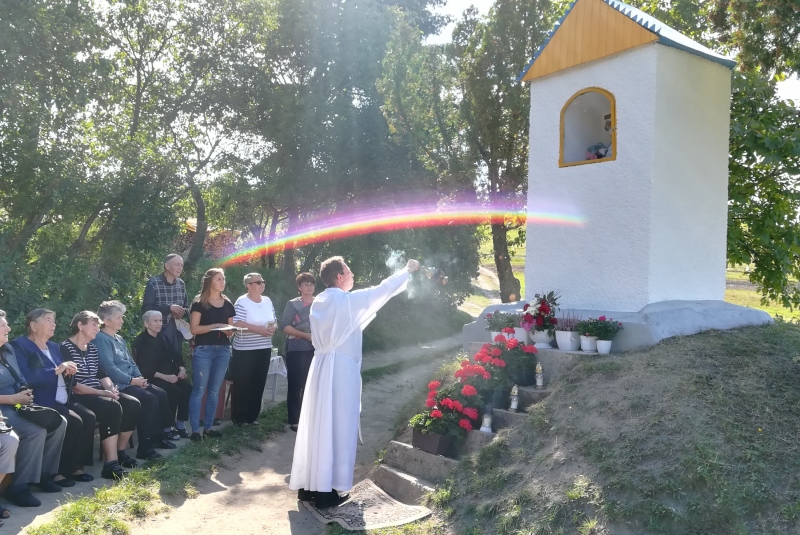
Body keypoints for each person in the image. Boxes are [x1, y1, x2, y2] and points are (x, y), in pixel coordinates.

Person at [289, 256, 419, 507]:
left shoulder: (321, 300)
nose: (352, 275)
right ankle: (327, 490)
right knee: (338, 425)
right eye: (349, 271)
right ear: (339, 276)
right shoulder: (343, 301)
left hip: (321, 366)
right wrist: (406, 270)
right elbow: (381, 291)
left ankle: (309, 486)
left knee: (317, 425)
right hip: (339, 370)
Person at [12, 309, 94, 487]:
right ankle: (54, 472)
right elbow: (26, 377)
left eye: (54, 320)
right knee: (73, 421)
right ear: (34, 326)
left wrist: (69, 373)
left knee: (86, 417)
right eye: (48, 320)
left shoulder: (54, 347)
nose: (54, 324)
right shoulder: (21, 346)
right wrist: (57, 370)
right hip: (39, 401)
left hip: (62, 397)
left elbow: (63, 375)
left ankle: (72, 467)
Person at [95, 300, 179, 461]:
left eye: (122, 317)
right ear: (106, 321)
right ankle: (144, 447)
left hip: (132, 381)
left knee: (160, 394)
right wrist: (132, 381)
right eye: (118, 317)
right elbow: (109, 368)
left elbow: (131, 362)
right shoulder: (101, 339)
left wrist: (140, 378)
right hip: (118, 385)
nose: (122, 320)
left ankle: (158, 436)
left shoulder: (119, 338)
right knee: (149, 399)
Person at [61, 311, 140, 480]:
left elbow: (102, 374)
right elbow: (73, 386)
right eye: (94, 324)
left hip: (97, 392)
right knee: (110, 406)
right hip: (78, 396)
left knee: (132, 403)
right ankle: (110, 464)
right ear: (80, 326)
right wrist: (103, 393)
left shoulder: (92, 348)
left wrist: (112, 390)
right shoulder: (65, 348)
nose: (97, 328)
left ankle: (120, 453)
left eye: (98, 324)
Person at [0, 309, 61, 509]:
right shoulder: (17, 346)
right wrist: (12, 399)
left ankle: (44, 475)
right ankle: (17, 488)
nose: (8, 328)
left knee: (58, 422)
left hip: (17, 404)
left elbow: (21, 378)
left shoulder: (7, 350)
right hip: (4, 407)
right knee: (36, 431)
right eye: (3, 325)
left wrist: (24, 393)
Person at [188, 268, 235, 442]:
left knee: (214, 391)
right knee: (199, 390)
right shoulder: (199, 303)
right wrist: (215, 325)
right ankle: (194, 430)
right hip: (203, 350)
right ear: (210, 282)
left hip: (223, 350)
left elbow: (230, 331)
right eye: (219, 279)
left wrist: (231, 331)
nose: (223, 282)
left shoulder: (228, 304)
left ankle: (208, 428)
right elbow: (194, 329)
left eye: (223, 279)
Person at [132, 311, 191, 438]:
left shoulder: (163, 337)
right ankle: (166, 428)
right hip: (153, 378)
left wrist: (182, 369)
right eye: (155, 321)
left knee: (187, 388)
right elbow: (143, 368)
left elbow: (176, 355)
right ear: (146, 323)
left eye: (160, 320)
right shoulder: (140, 342)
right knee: (173, 391)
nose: (159, 324)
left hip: (171, 375)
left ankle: (180, 424)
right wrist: (165, 377)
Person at [230, 272, 276, 426]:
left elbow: (273, 319)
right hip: (245, 349)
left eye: (262, 281)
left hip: (264, 346)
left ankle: (253, 416)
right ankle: (239, 417)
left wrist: (272, 328)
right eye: (257, 282)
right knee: (243, 382)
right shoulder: (242, 302)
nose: (261, 284)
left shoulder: (268, 300)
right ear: (248, 286)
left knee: (259, 381)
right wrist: (258, 330)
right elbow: (238, 323)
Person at [279, 272, 316, 432]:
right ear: (299, 287)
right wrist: (305, 335)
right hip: (296, 349)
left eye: (311, 284)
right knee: (295, 385)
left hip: (317, 350)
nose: (309, 286)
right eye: (305, 284)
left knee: (311, 384)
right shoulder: (293, 304)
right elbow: (284, 326)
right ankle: (294, 420)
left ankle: (309, 418)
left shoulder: (320, 303)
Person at [143, 254, 189, 359]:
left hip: (176, 332)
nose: (180, 268)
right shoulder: (153, 283)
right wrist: (169, 308)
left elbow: (186, 307)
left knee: (175, 364)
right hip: (157, 332)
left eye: (181, 265)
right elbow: (146, 310)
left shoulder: (181, 284)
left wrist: (183, 312)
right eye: (177, 265)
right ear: (167, 266)